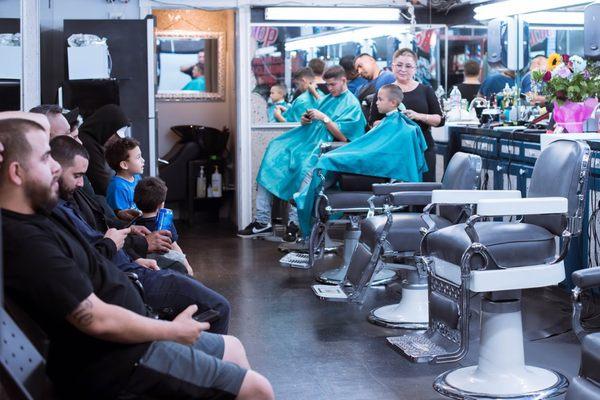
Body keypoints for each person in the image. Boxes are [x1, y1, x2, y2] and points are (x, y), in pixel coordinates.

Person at [0, 115, 274, 400]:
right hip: (119, 361)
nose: (57, 166)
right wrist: (171, 331)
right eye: (46, 158)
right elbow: (95, 319)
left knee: (234, 348)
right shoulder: (26, 241)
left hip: (129, 340)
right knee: (258, 390)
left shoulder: (38, 213)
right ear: (17, 173)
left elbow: (33, 121)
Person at [50, 136, 231, 334]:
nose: (80, 183)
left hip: (131, 266)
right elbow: (85, 265)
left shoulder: (69, 202)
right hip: (128, 279)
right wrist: (115, 245)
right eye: (76, 176)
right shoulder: (57, 213)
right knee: (219, 307)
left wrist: (134, 258)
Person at [238, 65, 366, 241]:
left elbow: (344, 137)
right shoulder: (328, 98)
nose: (329, 89)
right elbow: (312, 122)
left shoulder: (352, 104)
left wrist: (324, 118)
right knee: (273, 155)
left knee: (303, 172)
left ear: (344, 81)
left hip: (325, 150)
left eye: (332, 85)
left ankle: (294, 224)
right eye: (327, 85)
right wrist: (306, 120)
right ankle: (262, 221)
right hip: (306, 142)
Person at [295, 84, 428, 236]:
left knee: (325, 162)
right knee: (324, 161)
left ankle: (304, 202)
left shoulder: (402, 128)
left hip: (380, 179)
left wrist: (346, 157)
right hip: (374, 171)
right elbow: (372, 149)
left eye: (380, 99)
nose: (376, 102)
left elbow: (379, 156)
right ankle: (305, 202)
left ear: (393, 103)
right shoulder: (389, 123)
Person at [369, 48, 443, 183]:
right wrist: (390, 122)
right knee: (396, 194)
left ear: (415, 68)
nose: (403, 69)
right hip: (394, 149)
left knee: (423, 193)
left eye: (408, 66)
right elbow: (373, 122)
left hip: (423, 149)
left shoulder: (426, 90)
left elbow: (439, 120)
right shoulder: (383, 91)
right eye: (399, 65)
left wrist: (418, 116)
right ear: (392, 66)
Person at [134, 176, 194, 276]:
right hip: (166, 261)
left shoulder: (133, 223)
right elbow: (174, 245)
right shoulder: (166, 222)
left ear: (136, 202)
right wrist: (187, 266)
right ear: (161, 204)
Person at [79, 104, 129, 196]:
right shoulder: (88, 145)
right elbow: (102, 183)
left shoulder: (95, 142)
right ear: (107, 129)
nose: (117, 139)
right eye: (116, 135)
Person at [105, 137, 143, 213]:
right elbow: (121, 218)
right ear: (124, 165)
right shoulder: (118, 188)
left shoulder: (136, 176)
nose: (143, 160)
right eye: (138, 157)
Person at [353, 53, 396, 120]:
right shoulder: (360, 88)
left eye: (360, 66)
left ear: (371, 60)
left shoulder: (389, 78)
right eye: (357, 70)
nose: (359, 71)